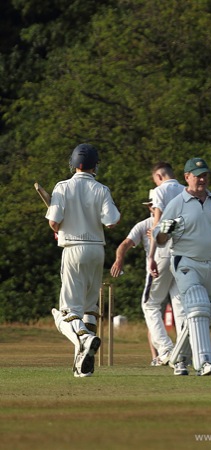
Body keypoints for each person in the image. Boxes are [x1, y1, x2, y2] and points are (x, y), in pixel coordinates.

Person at [152, 157, 211, 376]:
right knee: (198, 306)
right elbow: (160, 239)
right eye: (197, 176)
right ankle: (204, 363)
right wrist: (165, 231)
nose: (202, 179)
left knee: (201, 315)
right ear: (187, 177)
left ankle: (179, 359)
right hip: (185, 262)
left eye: (205, 175)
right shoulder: (177, 203)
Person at [46, 143, 120, 378]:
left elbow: (54, 222)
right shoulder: (102, 189)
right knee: (89, 309)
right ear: (95, 165)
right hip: (97, 250)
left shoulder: (62, 187)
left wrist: (57, 227)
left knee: (65, 314)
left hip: (73, 248)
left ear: (72, 163)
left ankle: (86, 339)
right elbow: (112, 221)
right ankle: (82, 366)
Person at [110, 191, 170, 366]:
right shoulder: (143, 225)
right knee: (153, 315)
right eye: (150, 205)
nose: (152, 208)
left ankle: (170, 352)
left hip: (164, 271)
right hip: (158, 273)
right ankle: (157, 357)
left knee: (151, 309)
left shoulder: (172, 222)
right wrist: (119, 259)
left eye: (153, 205)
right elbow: (125, 244)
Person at [142, 162, 186, 367]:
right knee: (179, 304)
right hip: (184, 253)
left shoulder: (159, 191)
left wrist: (151, 256)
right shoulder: (187, 190)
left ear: (159, 176)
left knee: (150, 304)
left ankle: (166, 349)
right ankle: (185, 353)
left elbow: (157, 224)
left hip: (164, 252)